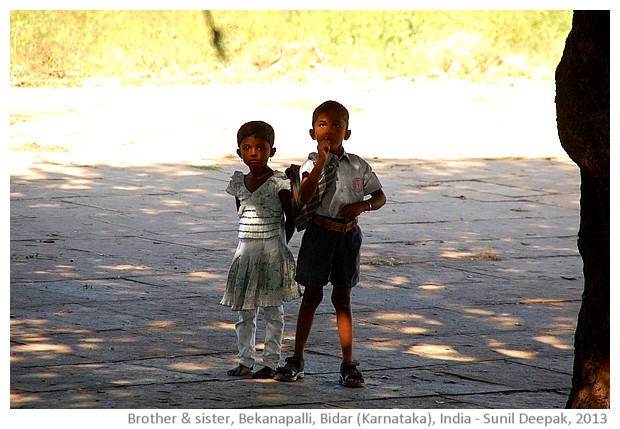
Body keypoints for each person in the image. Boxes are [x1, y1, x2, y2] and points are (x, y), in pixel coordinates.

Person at [275, 100, 386, 387]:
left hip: (347, 235)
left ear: (347, 133)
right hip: (319, 234)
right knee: (311, 297)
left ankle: (348, 363)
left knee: (343, 300)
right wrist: (322, 161)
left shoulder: (358, 165)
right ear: (312, 132)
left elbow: (380, 197)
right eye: (322, 125)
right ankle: (296, 358)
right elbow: (307, 197)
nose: (330, 131)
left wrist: (363, 207)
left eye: (337, 125)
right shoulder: (311, 164)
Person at [221, 120, 301, 379]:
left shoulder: (279, 183)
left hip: (272, 255)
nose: (254, 153)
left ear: (272, 151)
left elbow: (291, 219)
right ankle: (245, 360)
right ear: (239, 152)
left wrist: (278, 248)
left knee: (273, 313)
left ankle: (270, 362)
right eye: (247, 148)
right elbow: (241, 215)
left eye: (260, 148)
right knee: (244, 312)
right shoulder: (238, 183)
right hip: (245, 254)